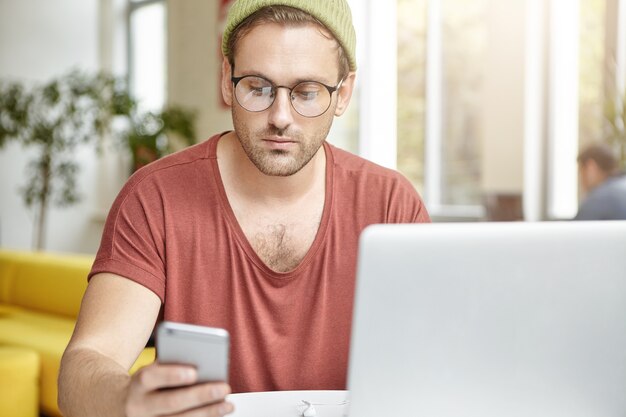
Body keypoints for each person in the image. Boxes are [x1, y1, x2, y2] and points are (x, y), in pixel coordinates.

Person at [58, 1, 430, 416]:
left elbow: (438, 364)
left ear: (343, 94)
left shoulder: (392, 205)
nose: (280, 117)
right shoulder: (154, 198)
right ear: (225, 80)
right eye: (257, 87)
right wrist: (123, 401)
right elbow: (86, 363)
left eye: (307, 93)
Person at [574, 143, 626, 220]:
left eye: (581, 173)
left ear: (590, 167)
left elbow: (575, 230)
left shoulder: (600, 199)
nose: (581, 181)